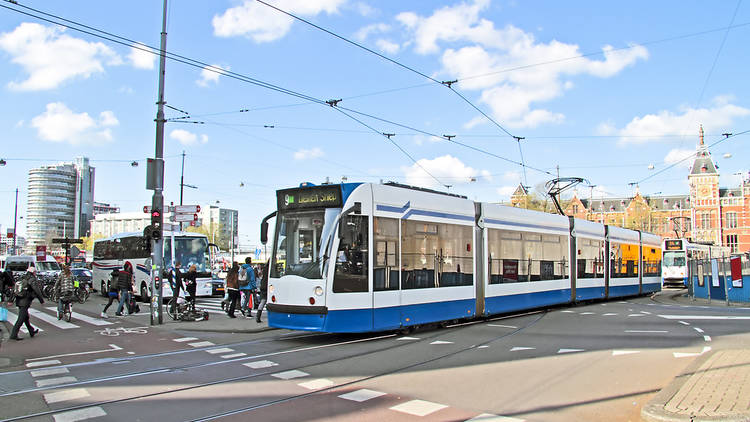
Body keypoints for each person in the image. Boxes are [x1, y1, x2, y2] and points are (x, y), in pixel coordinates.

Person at [9, 264, 44, 341]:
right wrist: (41, 300)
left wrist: (11, 300)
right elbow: (36, 290)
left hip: (19, 299)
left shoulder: (22, 278)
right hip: (25, 300)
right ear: (33, 272)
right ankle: (13, 334)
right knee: (21, 318)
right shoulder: (32, 279)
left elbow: (14, 289)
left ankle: (31, 331)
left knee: (25, 317)